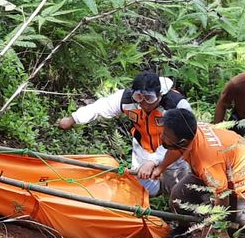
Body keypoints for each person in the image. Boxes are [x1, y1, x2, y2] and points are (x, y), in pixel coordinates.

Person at [57, 71, 191, 196]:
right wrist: (73, 119)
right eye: (139, 97)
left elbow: (182, 138)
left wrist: (154, 162)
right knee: (142, 187)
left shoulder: (176, 105)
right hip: (143, 149)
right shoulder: (126, 100)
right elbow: (100, 107)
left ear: (159, 95)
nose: (144, 103)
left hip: (171, 152)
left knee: (177, 191)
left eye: (149, 98)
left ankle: (173, 206)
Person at [152, 108, 245, 238]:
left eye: (166, 135)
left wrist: (216, 221)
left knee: (236, 222)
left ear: (183, 141)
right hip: (220, 169)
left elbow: (222, 195)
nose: (162, 137)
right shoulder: (191, 131)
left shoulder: (206, 162)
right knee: (179, 196)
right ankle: (184, 231)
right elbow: (175, 149)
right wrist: (160, 168)